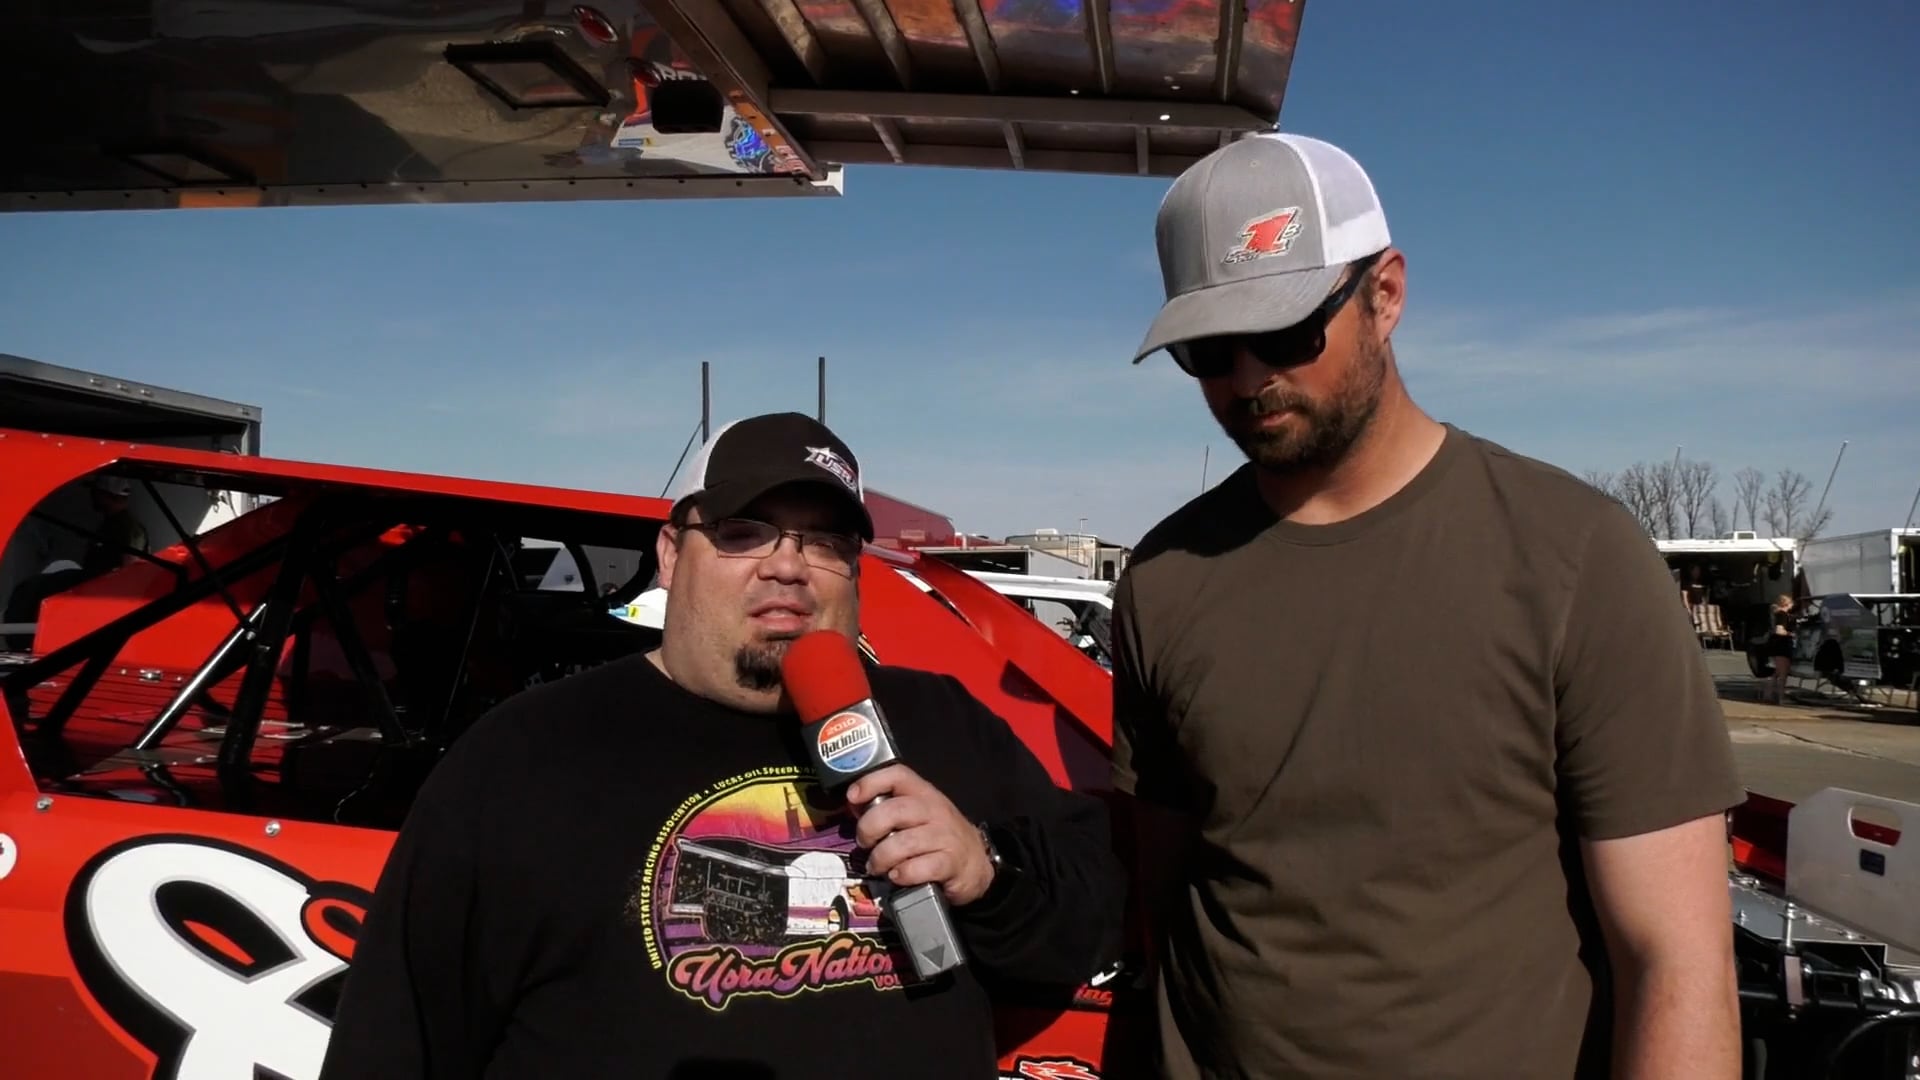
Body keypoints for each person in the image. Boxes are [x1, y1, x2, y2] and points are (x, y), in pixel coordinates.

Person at [1105, 133, 1745, 1079]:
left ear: (1387, 294)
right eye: (1206, 350)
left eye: (1285, 333)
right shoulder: (1164, 578)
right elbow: (1163, 900)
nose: (1245, 378)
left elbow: (1678, 964)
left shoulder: (1576, 557)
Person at [320, 411, 1123, 1080]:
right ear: (672, 555)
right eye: (744, 532)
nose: (788, 567)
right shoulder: (521, 755)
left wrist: (987, 874)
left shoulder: (940, 720)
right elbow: (396, 1040)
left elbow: (1092, 923)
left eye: (825, 542)